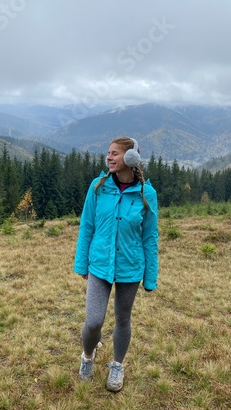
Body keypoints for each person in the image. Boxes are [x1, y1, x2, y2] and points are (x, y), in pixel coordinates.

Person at [73, 136, 158, 392]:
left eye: (115, 154)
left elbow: (150, 237)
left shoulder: (146, 194)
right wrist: (82, 264)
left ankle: (117, 366)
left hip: (130, 267)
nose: (108, 157)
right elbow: (87, 226)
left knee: (123, 320)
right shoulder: (98, 187)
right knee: (94, 321)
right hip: (99, 265)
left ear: (131, 159)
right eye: (108, 153)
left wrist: (150, 277)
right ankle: (88, 355)